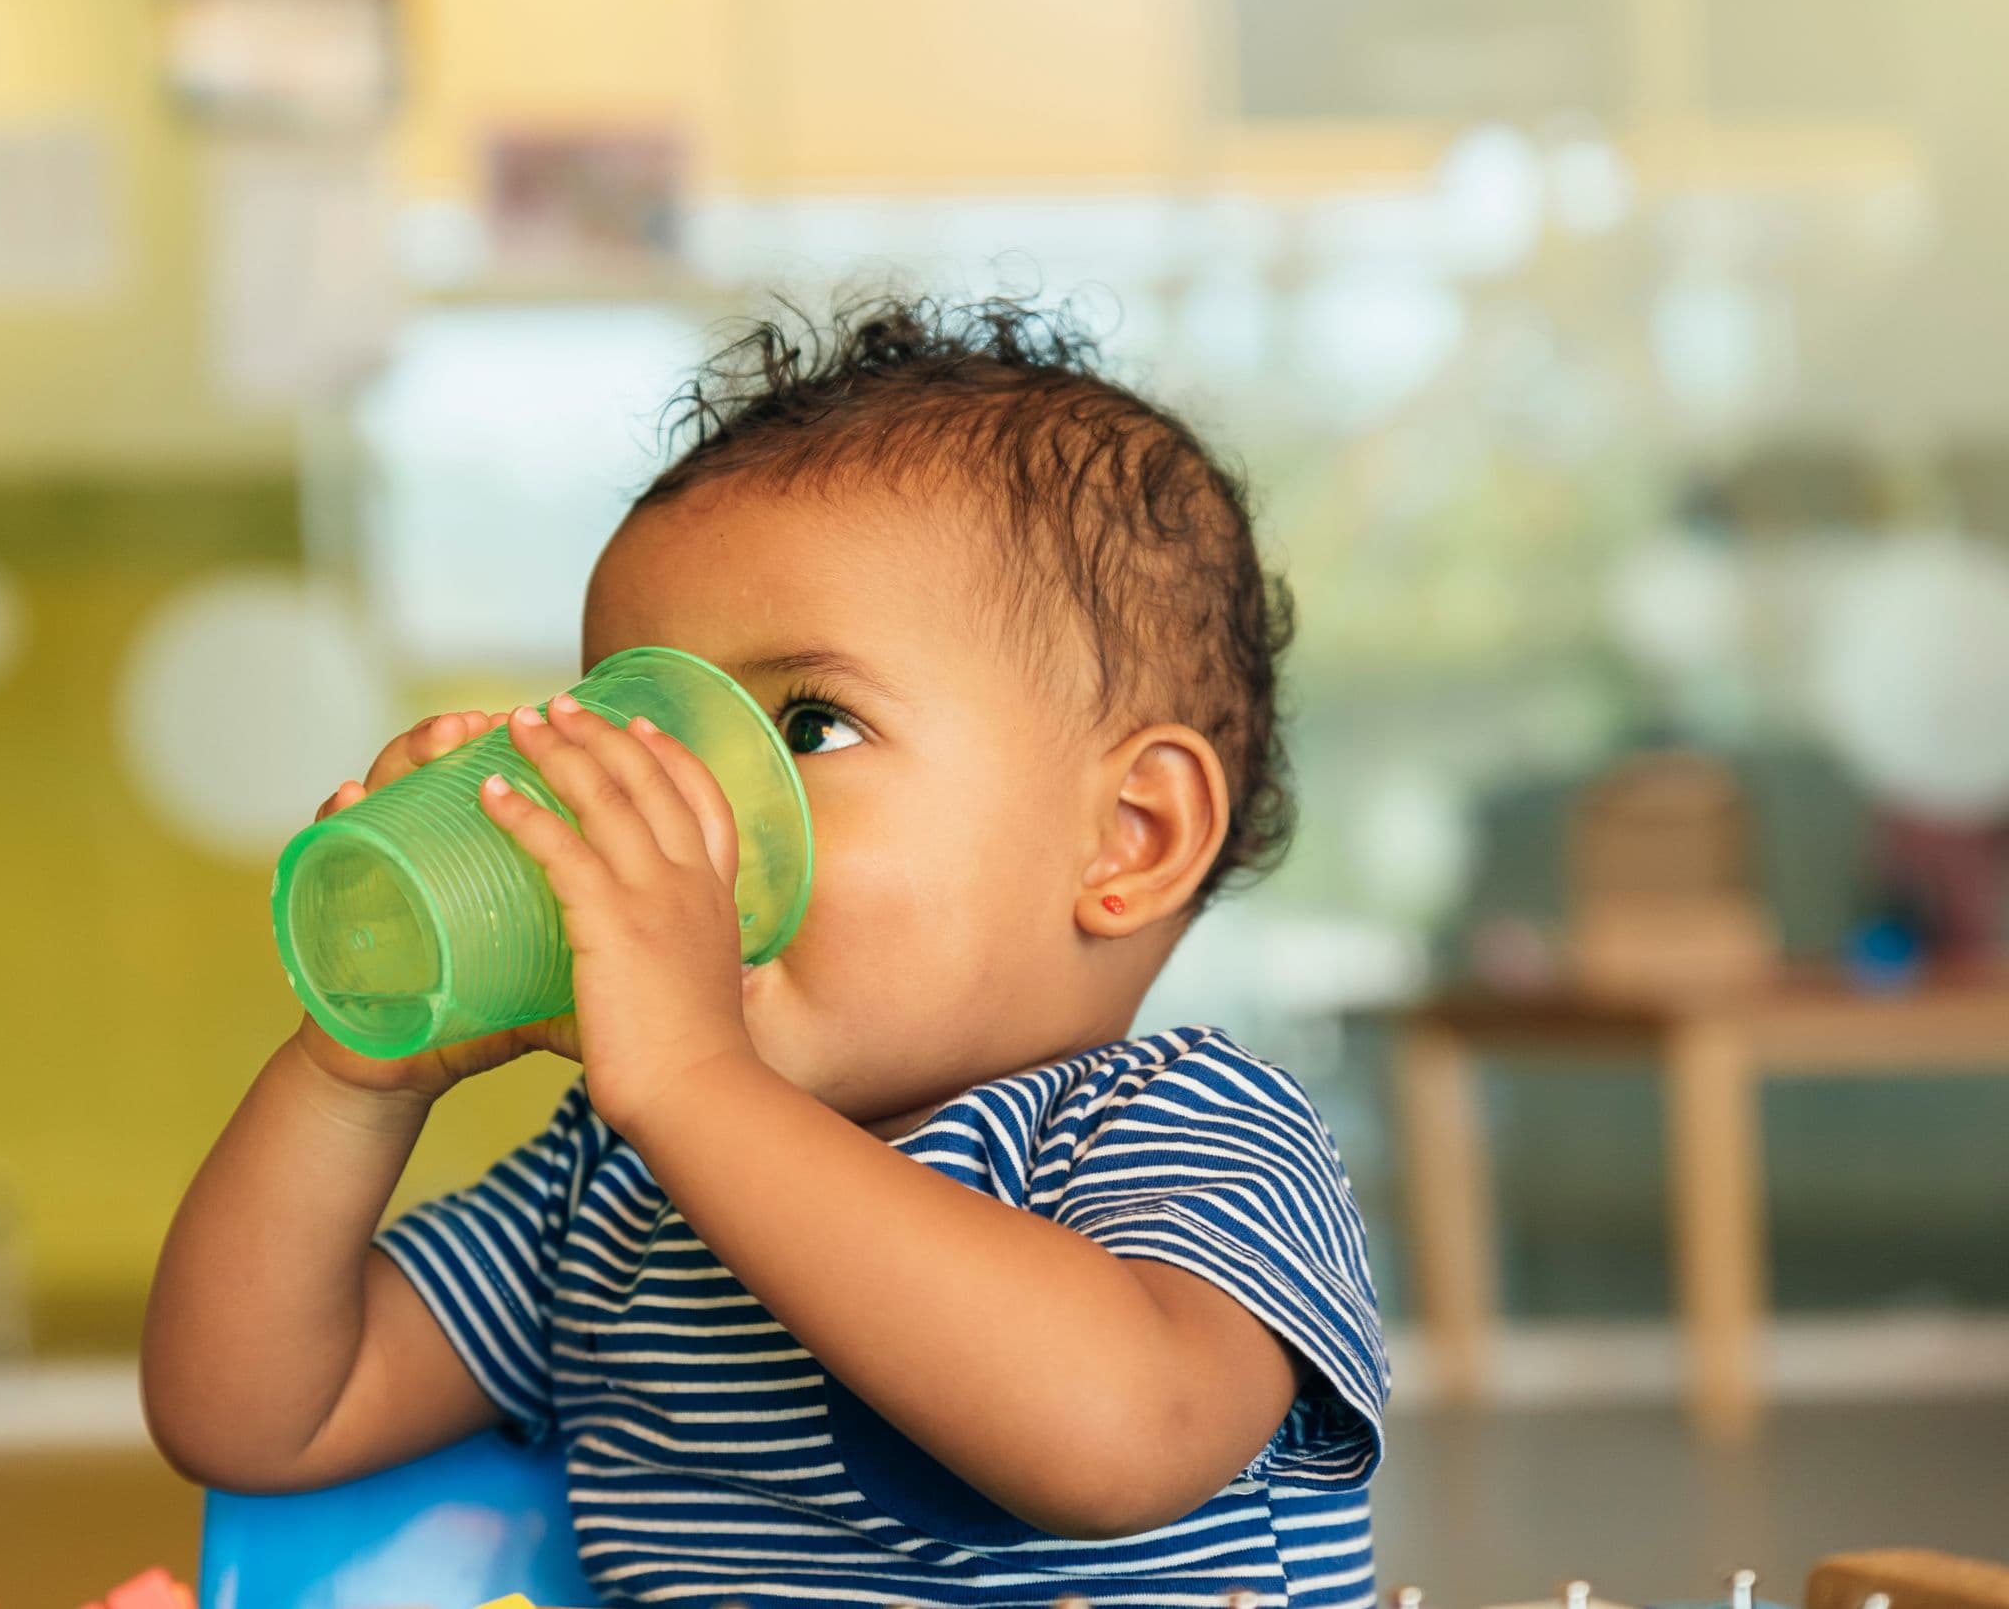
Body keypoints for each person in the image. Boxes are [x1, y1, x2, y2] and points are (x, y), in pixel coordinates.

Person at [143, 296, 1385, 1608]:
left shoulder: (1192, 1126)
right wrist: (352, 1076)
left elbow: (1119, 1438)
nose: (696, 816)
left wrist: (691, 1082)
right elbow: (257, 1415)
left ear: (1130, 837)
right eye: (646, 735)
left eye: (806, 727)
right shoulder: (616, 1186)